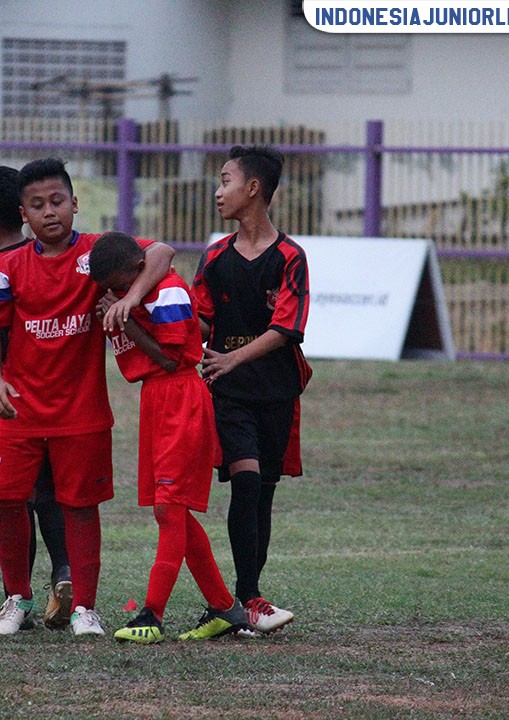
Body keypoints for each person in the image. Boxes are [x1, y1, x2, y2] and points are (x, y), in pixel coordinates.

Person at [0, 157, 174, 637]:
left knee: (80, 507)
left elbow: (163, 251)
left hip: (81, 414)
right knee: (6, 500)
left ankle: (86, 608)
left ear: (75, 203)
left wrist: (130, 298)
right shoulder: (7, 268)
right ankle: (16, 600)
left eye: (58, 201)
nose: (50, 212)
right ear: (23, 213)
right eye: (38, 205)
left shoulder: (98, 255)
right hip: (19, 411)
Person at [87, 232, 248, 644]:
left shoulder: (169, 293)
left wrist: (125, 316)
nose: (116, 293)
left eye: (120, 285)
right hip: (156, 400)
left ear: (136, 270)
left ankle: (152, 615)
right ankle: (224, 608)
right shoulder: (127, 290)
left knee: (169, 509)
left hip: (180, 396)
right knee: (173, 510)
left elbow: (171, 358)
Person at [192, 145, 311, 634]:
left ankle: (246, 600)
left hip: (277, 391)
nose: (218, 192)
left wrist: (231, 355)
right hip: (229, 392)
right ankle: (249, 599)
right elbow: (198, 321)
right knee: (243, 480)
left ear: (253, 188)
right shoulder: (215, 256)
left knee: (262, 493)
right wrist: (143, 318)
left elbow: (286, 328)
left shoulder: (290, 257)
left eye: (225, 180)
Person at [0, 166, 71, 631]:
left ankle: (18, 596)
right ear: (24, 211)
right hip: (58, 402)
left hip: (15, 404)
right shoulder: (14, 262)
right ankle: (62, 576)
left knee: (14, 497)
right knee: (48, 494)